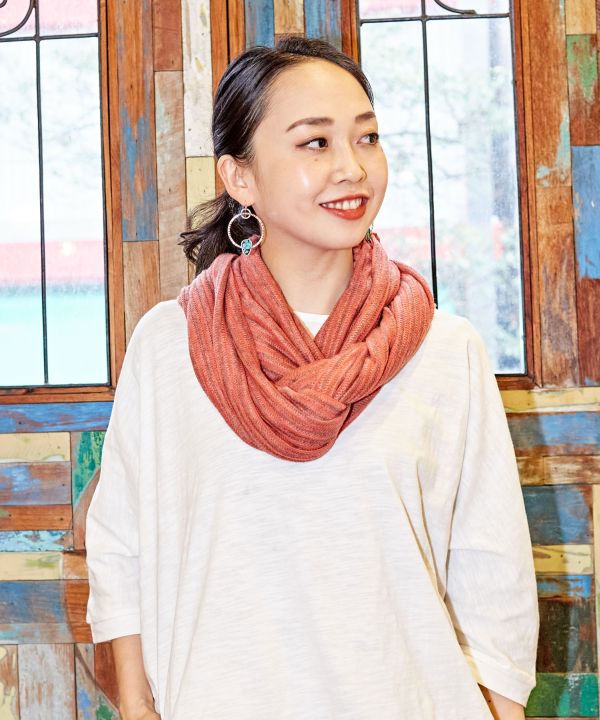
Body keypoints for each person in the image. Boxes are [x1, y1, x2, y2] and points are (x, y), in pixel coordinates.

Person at [85, 35, 539, 720]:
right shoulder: (169, 345)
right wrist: (136, 706)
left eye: (367, 138)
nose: (352, 168)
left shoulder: (445, 349)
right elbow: (121, 543)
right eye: (315, 143)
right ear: (240, 178)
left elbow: (492, 563)